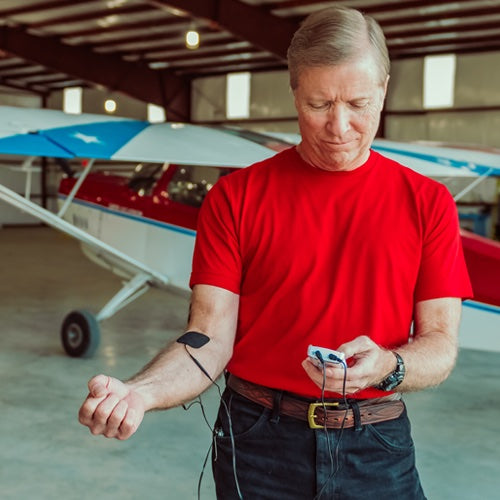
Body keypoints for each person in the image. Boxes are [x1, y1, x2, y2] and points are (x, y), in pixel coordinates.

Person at [79, 5, 473, 499]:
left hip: (376, 442)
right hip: (257, 441)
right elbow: (208, 337)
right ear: (294, 92)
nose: (339, 126)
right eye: (319, 104)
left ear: (384, 89)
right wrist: (140, 392)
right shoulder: (236, 198)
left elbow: (440, 344)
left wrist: (389, 366)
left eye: (358, 103)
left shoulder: (427, 203)